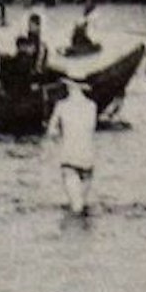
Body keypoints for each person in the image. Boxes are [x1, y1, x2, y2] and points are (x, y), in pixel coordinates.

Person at [47, 73, 97, 216]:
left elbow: (51, 131)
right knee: (82, 204)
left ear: (69, 86)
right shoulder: (92, 106)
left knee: (76, 207)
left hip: (69, 158)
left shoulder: (61, 106)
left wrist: (58, 137)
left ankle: (72, 237)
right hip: (88, 158)